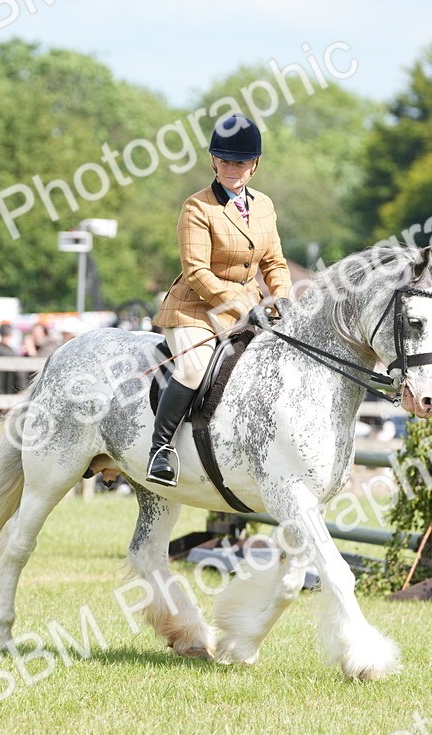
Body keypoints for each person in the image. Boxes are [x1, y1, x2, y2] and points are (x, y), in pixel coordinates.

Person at [146, 113, 292, 486]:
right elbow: (197, 273)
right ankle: (160, 449)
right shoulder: (197, 207)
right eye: (225, 160)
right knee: (194, 367)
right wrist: (247, 307)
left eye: (240, 162)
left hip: (251, 308)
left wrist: (284, 298)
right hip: (195, 308)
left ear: (254, 165)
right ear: (213, 161)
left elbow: (274, 261)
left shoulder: (264, 206)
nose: (233, 168)